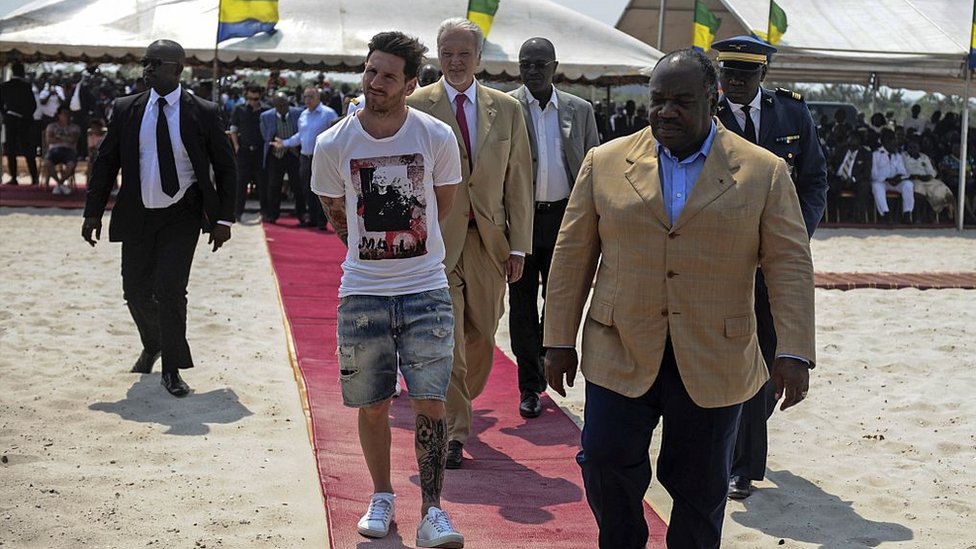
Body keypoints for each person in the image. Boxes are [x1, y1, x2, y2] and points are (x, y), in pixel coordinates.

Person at [544, 49, 816, 549]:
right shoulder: (604, 163)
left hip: (716, 353)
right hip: (618, 344)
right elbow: (571, 258)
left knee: (700, 487)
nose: (666, 111)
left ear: (712, 100)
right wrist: (557, 339)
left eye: (682, 101)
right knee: (604, 462)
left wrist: (794, 351)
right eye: (658, 100)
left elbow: (789, 267)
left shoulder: (763, 171)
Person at [311, 31, 465, 548]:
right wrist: (375, 255)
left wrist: (406, 251)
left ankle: (433, 511)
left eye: (388, 76)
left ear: (410, 83)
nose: (375, 83)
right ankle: (381, 495)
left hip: (426, 289)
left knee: (431, 402)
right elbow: (336, 217)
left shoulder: (436, 137)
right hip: (362, 293)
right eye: (371, 71)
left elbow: (441, 208)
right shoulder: (333, 143)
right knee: (372, 403)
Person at [407, 17, 533, 469]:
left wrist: (519, 245)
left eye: (464, 54)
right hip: (438, 244)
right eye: (447, 54)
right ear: (436, 57)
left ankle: (462, 396)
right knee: (450, 340)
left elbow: (519, 179)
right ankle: (456, 431)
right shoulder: (417, 105)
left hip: (491, 243)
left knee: (482, 333)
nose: (455, 62)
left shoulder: (507, 109)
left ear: (479, 58)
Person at [82, 39, 236, 397]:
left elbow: (226, 168)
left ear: (176, 69)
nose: (147, 69)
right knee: (134, 292)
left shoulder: (202, 110)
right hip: (137, 214)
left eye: (154, 63)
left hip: (182, 215)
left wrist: (224, 219)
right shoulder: (126, 109)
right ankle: (153, 344)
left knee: (169, 290)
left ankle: (171, 369)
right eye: (145, 62)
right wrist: (93, 212)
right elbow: (105, 163)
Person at [712, 34, 827, 499]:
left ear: (764, 75)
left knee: (764, 357)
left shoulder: (792, 113)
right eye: (728, 74)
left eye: (745, 74)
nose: (735, 82)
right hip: (719, 259)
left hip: (772, 262)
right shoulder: (707, 113)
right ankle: (737, 460)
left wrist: (796, 236)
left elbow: (815, 178)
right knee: (727, 359)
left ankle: (741, 462)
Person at [507, 37, 599, 419]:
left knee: (559, 299)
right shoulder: (507, 107)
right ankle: (529, 386)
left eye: (540, 64)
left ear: (554, 66)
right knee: (521, 304)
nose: (533, 71)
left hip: (566, 220)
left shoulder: (580, 110)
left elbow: (595, 164)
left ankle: (546, 353)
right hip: (523, 222)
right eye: (526, 64)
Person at [273, 86, 338, 229]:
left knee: (321, 190)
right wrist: (284, 143)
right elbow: (300, 136)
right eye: (305, 97)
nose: (307, 100)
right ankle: (312, 218)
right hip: (305, 157)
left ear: (318, 98)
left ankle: (322, 221)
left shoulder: (328, 114)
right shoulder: (303, 115)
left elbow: (336, 135)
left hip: (322, 158)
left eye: (310, 97)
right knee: (307, 189)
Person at [259, 92, 303, 224]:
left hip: (294, 154)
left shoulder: (298, 113)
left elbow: (302, 131)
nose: (283, 107)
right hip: (276, 156)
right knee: (274, 186)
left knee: (297, 185)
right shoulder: (266, 116)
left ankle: (301, 213)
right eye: (279, 105)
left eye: (285, 104)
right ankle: (272, 214)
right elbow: (265, 135)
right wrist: (274, 145)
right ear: (275, 106)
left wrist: (295, 145)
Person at [229, 85, 269, 221]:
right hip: (244, 150)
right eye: (250, 98)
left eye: (255, 99)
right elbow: (233, 129)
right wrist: (236, 146)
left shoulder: (266, 111)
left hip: (259, 151)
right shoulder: (239, 110)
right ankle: (237, 212)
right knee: (241, 183)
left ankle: (265, 211)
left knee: (262, 183)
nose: (252, 101)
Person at [1, 61, 40, 185]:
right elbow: (33, 105)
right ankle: (34, 177)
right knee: (28, 149)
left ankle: (14, 177)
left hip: (11, 120)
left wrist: (6, 113)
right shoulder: (26, 86)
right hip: (24, 121)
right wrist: (26, 116)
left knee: (11, 149)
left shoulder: (4, 86)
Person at [904, 136, 954, 221]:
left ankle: (940, 214)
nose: (912, 149)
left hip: (927, 179)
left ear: (919, 148)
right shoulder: (903, 156)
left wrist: (929, 176)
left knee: (943, 190)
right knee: (918, 192)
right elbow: (903, 171)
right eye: (910, 147)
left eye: (915, 147)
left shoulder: (924, 157)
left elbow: (931, 171)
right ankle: (918, 216)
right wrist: (917, 176)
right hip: (913, 179)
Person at [871, 128, 915, 224]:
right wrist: (886, 179)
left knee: (908, 185)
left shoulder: (897, 155)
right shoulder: (876, 155)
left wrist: (899, 178)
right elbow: (873, 174)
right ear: (885, 142)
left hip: (896, 182)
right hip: (882, 182)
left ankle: (907, 213)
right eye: (892, 141)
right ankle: (885, 214)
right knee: (876, 187)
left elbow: (903, 172)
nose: (895, 143)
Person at [828, 130, 873, 221]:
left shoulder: (866, 154)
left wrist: (853, 179)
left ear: (860, 141)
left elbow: (866, 173)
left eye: (855, 139)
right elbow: (830, 162)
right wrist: (830, 167)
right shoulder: (840, 149)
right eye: (850, 138)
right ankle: (831, 215)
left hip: (855, 180)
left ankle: (858, 215)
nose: (852, 140)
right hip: (839, 178)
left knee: (864, 186)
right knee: (828, 186)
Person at [43, 105, 82, 194]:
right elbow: (49, 140)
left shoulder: (75, 127)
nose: (67, 116)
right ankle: (60, 184)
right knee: (47, 162)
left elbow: (73, 140)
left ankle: (60, 184)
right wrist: (66, 138)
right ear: (59, 115)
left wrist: (58, 138)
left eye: (68, 114)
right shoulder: (51, 126)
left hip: (69, 150)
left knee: (71, 164)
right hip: (54, 150)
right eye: (64, 114)